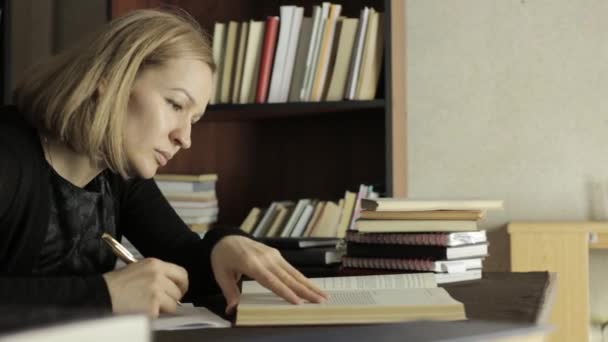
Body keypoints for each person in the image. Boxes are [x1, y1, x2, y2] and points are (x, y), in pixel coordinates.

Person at [0, 8, 327, 317]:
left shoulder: (117, 174)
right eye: (175, 104)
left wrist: (224, 245)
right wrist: (105, 295)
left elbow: (185, 267)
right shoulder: (9, 155)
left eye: (194, 120)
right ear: (112, 81)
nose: (184, 137)